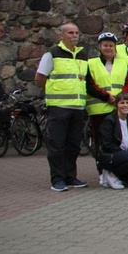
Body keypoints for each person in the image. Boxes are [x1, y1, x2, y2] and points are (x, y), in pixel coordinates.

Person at [35, 23, 90, 192]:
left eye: (76, 33)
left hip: (78, 107)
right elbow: (40, 77)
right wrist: (52, 92)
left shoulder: (82, 55)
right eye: (70, 33)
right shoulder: (52, 53)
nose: (74, 35)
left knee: (73, 144)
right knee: (57, 144)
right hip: (59, 106)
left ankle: (70, 177)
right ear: (61, 36)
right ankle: (57, 179)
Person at [86, 32, 128, 178]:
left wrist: (119, 98)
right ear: (100, 47)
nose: (108, 48)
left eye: (111, 45)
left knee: (118, 141)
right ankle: (103, 173)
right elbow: (89, 85)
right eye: (105, 45)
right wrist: (106, 97)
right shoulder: (91, 63)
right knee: (101, 143)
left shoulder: (123, 63)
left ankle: (116, 171)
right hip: (99, 110)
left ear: (115, 47)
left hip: (118, 110)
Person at [96, 93, 128, 189]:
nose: (125, 105)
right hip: (109, 156)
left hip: (123, 157)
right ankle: (111, 175)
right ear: (116, 105)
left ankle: (118, 174)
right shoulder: (109, 120)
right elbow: (106, 144)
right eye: (122, 103)